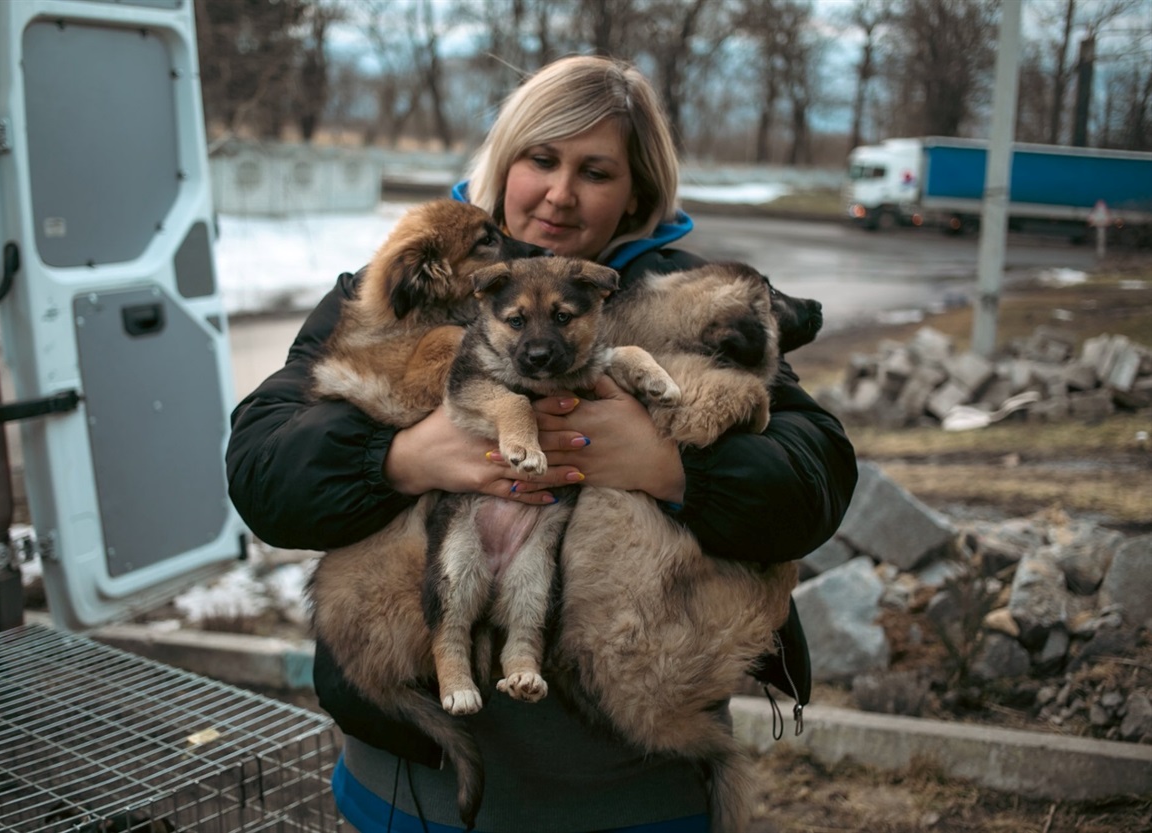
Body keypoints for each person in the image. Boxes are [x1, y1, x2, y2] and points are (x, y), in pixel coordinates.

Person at [226, 55, 857, 833]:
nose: (560, 193)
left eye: (596, 171)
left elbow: (816, 478)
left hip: (633, 789)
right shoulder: (407, 284)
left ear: (638, 192)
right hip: (419, 786)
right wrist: (398, 458)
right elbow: (261, 468)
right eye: (541, 159)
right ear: (503, 163)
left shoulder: (691, 302)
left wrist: (670, 467)